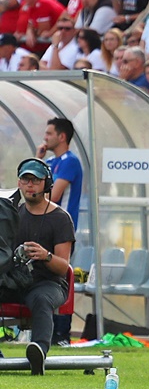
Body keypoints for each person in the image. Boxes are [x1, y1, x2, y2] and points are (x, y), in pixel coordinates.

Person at [9, 158, 76, 375]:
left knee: (41, 299)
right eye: (26, 180)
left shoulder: (60, 218)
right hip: (15, 280)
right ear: (19, 183)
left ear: (46, 184)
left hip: (49, 283)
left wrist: (45, 256)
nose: (30, 185)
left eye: (35, 180)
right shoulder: (12, 215)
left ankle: (39, 351)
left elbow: (63, 267)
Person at [34, 117, 82, 345]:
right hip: (46, 230)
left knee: (62, 276)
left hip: (64, 230)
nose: (45, 137)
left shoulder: (70, 162)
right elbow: (31, 184)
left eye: (49, 133)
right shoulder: (51, 162)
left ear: (62, 136)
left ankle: (62, 334)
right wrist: (38, 160)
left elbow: (53, 197)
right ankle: (48, 331)